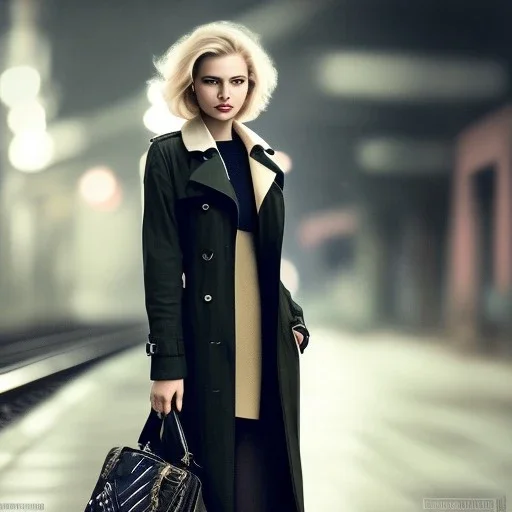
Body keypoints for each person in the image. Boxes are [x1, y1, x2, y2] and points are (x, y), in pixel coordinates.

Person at [142, 21, 310, 512]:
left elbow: (263, 256)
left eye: (237, 81)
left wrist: (293, 316)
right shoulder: (169, 156)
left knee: (264, 475)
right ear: (191, 85)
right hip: (210, 334)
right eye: (213, 80)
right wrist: (166, 363)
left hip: (266, 336)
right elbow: (161, 264)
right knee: (215, 476)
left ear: (251, 86)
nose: (225, 94)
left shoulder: (264, 159)